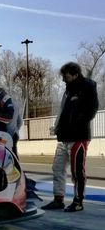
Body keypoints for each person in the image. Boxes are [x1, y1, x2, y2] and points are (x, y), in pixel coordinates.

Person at [42, 62, 99, 212]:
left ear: (74, 74)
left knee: (77, 171)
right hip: (63, 137)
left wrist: (75, 124)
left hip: (78, 137)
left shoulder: (87, 87)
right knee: (57, 168)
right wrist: (57, 127)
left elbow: (91, 110)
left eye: (65, 76)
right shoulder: (68, 90)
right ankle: (58, 199)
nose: (63, 79)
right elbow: (62, 111)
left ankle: (78, 202)